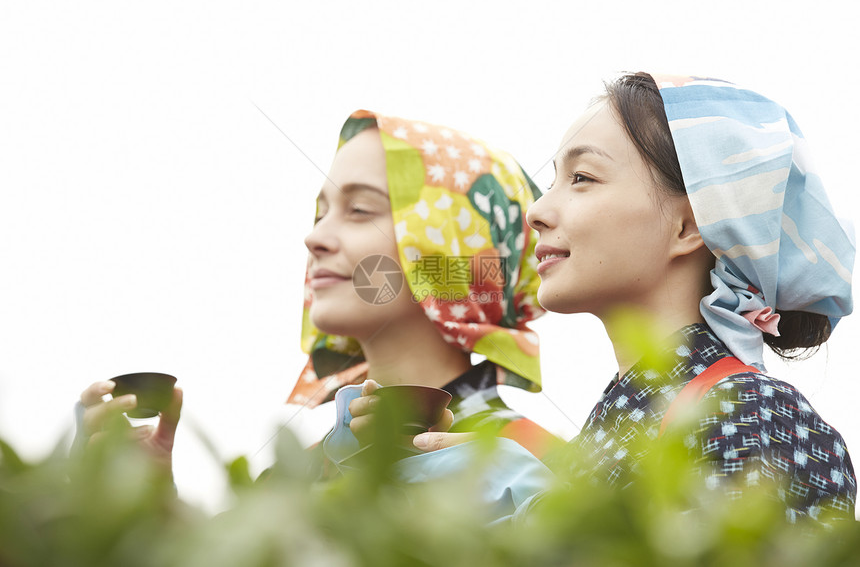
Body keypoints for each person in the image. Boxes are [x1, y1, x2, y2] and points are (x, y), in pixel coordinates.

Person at [414, 73, 856, 522]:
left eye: (582, 177)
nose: (537, 211)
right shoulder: (617, 431)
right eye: (553, 182)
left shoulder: (751, 414)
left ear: (687, 226)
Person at [75, 109, 559, 479]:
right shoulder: (290, 480)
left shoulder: (547, 468)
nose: (315, 238)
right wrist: (152, 506)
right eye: (320, 213)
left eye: (360, 210)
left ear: (453, 253)